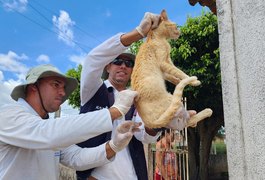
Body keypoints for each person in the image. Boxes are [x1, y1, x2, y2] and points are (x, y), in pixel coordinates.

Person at [76, 12, 196, 180]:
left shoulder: (136, 97)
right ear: (108, 66)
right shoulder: (93, 91)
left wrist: (161, 120)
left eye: (129, 63)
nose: (123, 66)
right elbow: (92, 60)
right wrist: (139, 32)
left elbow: (145, 136)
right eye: (117, 61)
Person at [0, 64, 141, 180]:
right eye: (56, 85)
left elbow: (76, 158)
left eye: (63, 88)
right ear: (33, 87)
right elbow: (46, 133)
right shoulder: (8, 114)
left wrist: (114, 145)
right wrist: (115, 111)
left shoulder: (48, 129)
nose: (62, 93)